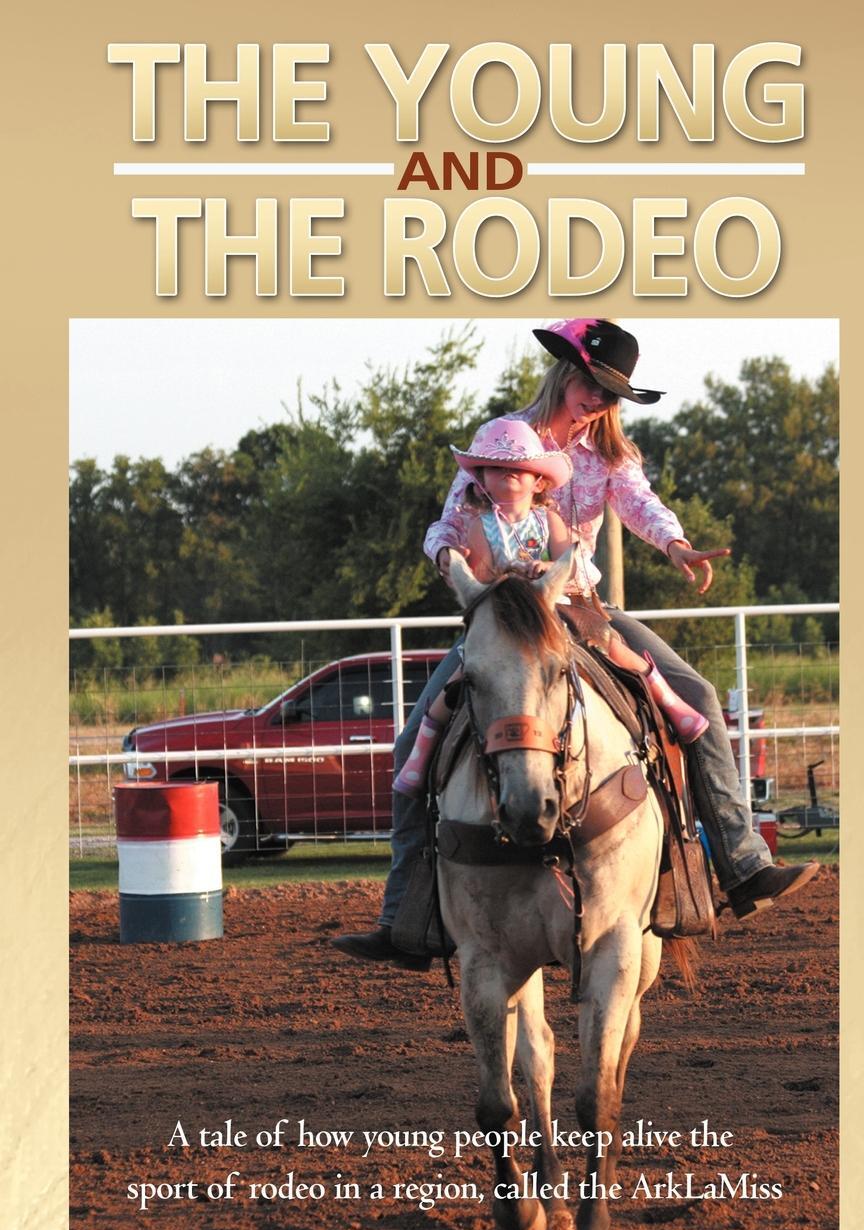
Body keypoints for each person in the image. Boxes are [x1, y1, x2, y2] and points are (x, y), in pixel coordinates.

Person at [332, 319, 818, 968]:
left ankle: (738, 862)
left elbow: (639, 503)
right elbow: (449, 520)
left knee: (695, 695)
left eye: (612, 394)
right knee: (414, 738)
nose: (600, 402)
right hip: (505, 615)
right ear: (566, 376)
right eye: (593, 386)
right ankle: (404, 918)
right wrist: (449, 556)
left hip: (579, 605)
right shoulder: (503, 445)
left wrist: (673, 544)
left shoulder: (609, 454)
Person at [393, 417, 708, 798]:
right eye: (496, 468)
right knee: (462, 675)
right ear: (482, 478)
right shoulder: (479, 525)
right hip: (507, 616)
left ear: (538, 480)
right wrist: (496, 574)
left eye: (518, 469)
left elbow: (573, 560)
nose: (507, 475)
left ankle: (671, 703)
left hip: (555, 610)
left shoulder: (549, 520)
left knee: (611, 644)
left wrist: (549, 569)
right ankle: (420, 754)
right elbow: (479, 577)